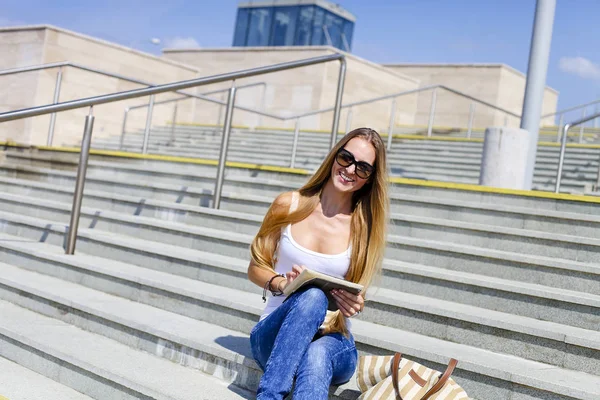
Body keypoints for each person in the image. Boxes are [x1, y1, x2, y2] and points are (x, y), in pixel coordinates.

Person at [247, 127, 389, 400]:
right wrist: (283, 284)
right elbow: (255, 267)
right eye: (346, 158)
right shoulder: (288, 205)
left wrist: (354, 304)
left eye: (363, 168)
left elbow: (356, 292)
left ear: (370, 179)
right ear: (334, 156)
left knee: (317, 351)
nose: (350, 170)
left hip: (332, 338)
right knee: (311, 296)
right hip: (274, 334)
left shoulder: (364, 229)